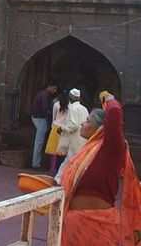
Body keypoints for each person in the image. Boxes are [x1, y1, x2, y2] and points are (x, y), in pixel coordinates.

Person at [60, 92, 141, 245]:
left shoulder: (110, 148)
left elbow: (115, 114)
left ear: (100, 128)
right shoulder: (86, 154)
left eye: (88, 121)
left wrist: (109, 99)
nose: (83, 124)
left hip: (99, 225)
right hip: (74, 224)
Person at [54, 89, 89, 183]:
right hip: (83, 138)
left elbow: (73, 125)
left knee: (69, 160)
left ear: (70, 97)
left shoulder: (72, 108)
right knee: (79, 160)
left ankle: (58, 180)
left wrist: (62, 129)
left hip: (74, 139)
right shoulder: (84, 108)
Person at [30, 83, 58, 169]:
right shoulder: (45, 95)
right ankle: (35, 164)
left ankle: (36, 162)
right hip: (40, 118)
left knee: (39, 141)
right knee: (39, 141)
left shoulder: (43, 94)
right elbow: (45, 108)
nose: (55, 91)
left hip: (37, 117)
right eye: (54, 88)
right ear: (49, 87)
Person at [45, 91, 70, 174]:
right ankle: (60, 169)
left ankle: (52, 168)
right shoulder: (70, 106)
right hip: (64, 128)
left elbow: (54, 116)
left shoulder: (56, 104)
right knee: (61, 149)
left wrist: (53, 125)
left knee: (53, 150)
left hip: (56, 127)